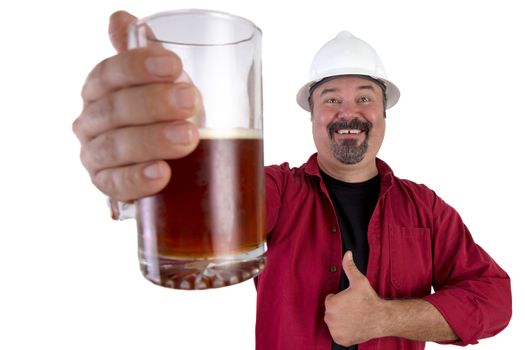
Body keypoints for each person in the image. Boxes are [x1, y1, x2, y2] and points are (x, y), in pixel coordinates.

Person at [72, 11, 512, 350]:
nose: (348, 112)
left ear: (384, 112)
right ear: (313, 114)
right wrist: (176, 146)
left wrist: (385, 319)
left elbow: (495, 300)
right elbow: (217, 208)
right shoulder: (278, 190)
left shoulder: (425, 208)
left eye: (364, 97)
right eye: (330, 99)